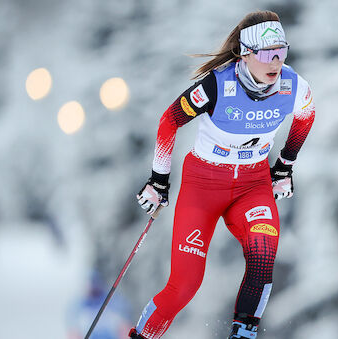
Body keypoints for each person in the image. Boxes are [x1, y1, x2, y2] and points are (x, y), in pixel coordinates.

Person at [130, 10, 315, 339]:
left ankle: (243, 335)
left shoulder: (293, 85)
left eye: (282, 51)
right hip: (202, 186)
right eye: (268, 53)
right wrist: (158, 179)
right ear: (246, 53)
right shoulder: (218, 84)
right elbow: (169, 121)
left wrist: (285, 165)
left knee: (263, 254)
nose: (276, 62)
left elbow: (306, 116)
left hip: (252, 186)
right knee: (184, 286)